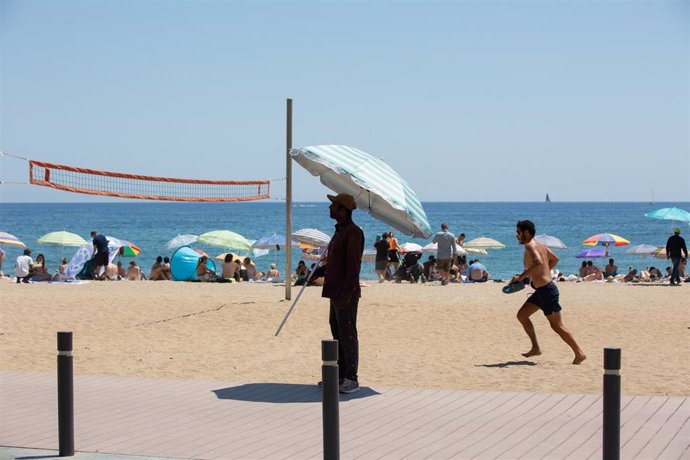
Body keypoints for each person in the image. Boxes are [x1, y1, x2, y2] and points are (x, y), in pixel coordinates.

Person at [512, 220, 586, 365]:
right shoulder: (540, 245)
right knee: (522, 315)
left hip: (547, 291)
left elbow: (538, 262)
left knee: (557, 325)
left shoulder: (529, 246)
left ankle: (579, 353)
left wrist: (522, 276)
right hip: (541, 291)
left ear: (526, 232)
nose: (517, 235)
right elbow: (555, 259)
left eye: (519, 232)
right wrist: (543, 274)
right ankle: (535, 348)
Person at [322, 193, 364, 394]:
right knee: (337, 333)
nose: (330, 209)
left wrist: (347, 294)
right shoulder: (340, 232)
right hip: (334, 290)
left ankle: (351, 378)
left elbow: (353, 267)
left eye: (333, 206)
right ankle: (338, 376)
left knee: (347, 333)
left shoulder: (353, 233)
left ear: (342, 210)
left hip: (344, 292)